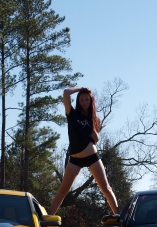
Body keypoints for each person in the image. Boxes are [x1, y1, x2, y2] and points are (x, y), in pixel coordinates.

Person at [49, 87, 119, 215]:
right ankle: (48, 218)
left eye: (87, 99)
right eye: (82, 99)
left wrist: (96, 138)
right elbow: (65, 93)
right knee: (63, 190)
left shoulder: (95, 120)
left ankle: (119, 217)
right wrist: (81, 89)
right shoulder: (72, 113)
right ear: (78, 101)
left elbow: (94, 141)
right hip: (75, 159)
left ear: (91, 101)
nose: (84, 102)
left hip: (92, 156)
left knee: (106, 188)